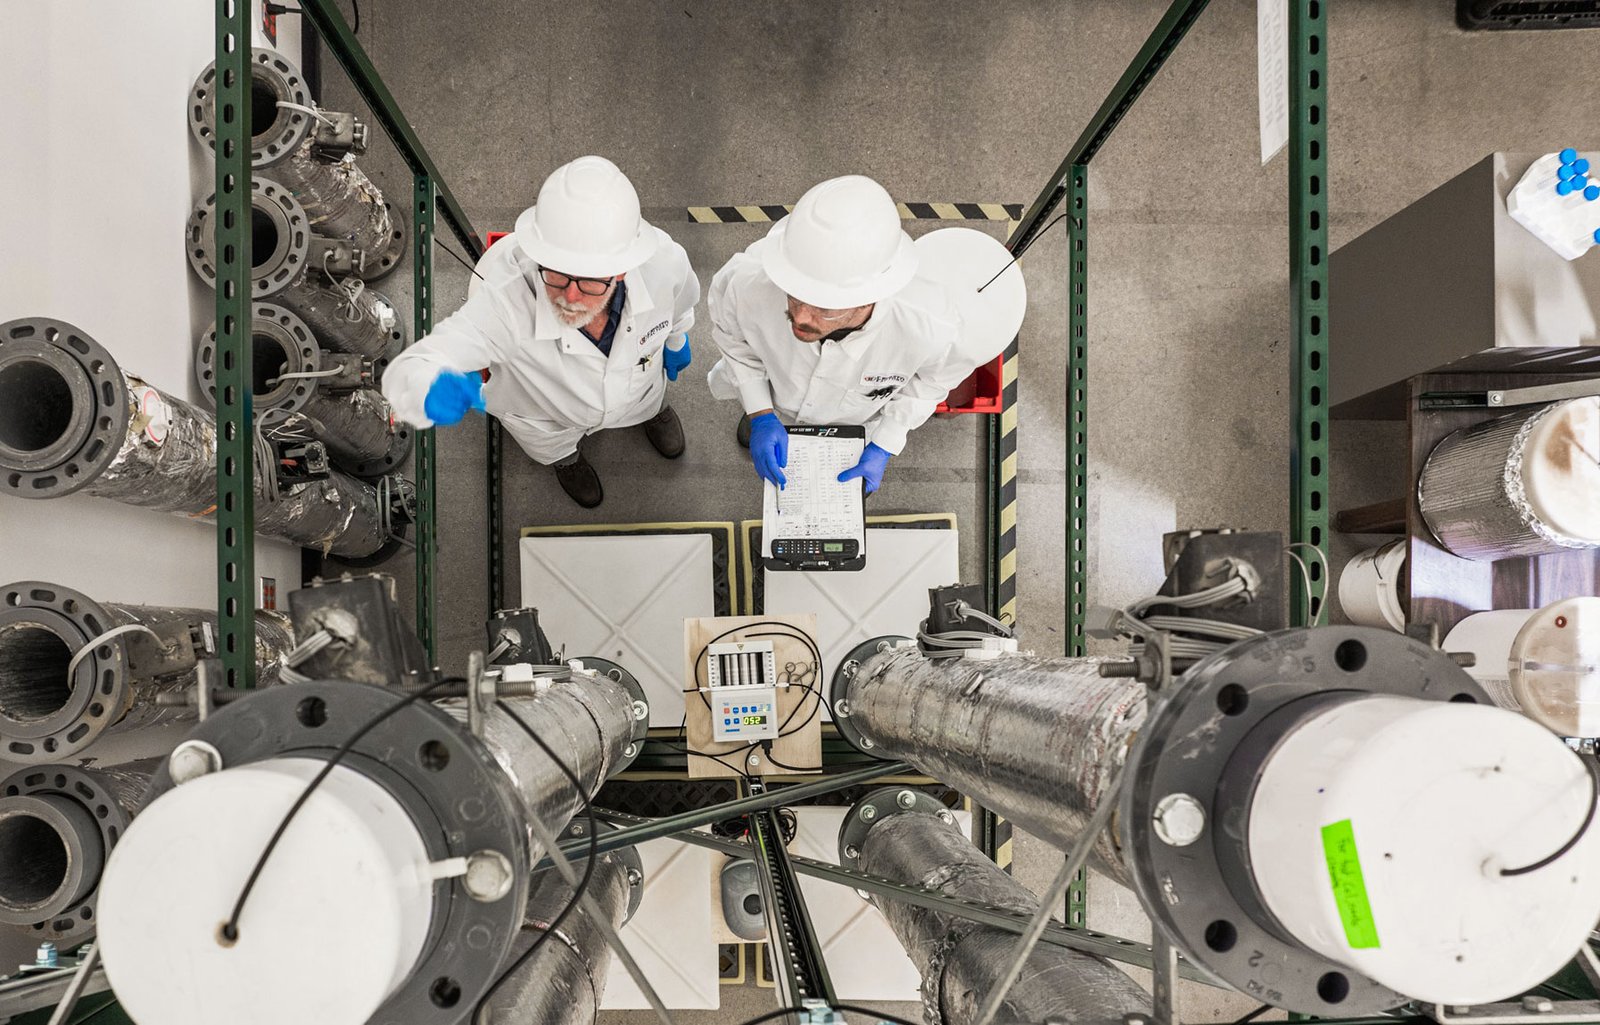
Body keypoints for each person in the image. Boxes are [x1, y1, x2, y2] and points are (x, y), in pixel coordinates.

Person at [383, 155, 700, 508]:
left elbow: (680, 306)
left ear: (622, 271)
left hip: (639, 388)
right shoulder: (501, 293)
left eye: (589, 281)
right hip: (546, 416)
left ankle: (651, 414)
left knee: (646, 400)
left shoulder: (664, 263)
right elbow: (439, 352)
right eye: (557, 274)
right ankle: (568, 462)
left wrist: (676, 340)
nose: (570, 296)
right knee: (554, 446)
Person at [705, 174, 964, 494]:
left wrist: (886, 442)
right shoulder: (746, 281)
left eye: (824, 307)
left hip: (855, 420)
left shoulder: (929, 325)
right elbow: (733, 339)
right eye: (794, 294)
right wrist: (759, 412)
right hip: (777, 399)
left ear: (873, 295)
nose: (799, 317)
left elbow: (931, 383)